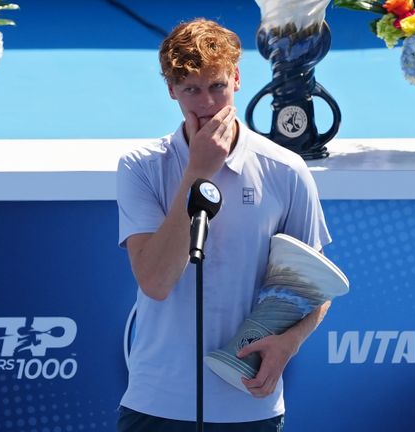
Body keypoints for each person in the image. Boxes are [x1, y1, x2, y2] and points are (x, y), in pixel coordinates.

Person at [116, 18, 332, 432]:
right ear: (171, 91)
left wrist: (290, 342)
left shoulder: (286, 169)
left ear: (236, 78)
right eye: (191, 90)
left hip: (248, 404)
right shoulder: (141, 167)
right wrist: (199, 171)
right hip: (156, 402)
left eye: (217, 86)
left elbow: (313, 286)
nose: (207, 103)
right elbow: (156, 281)